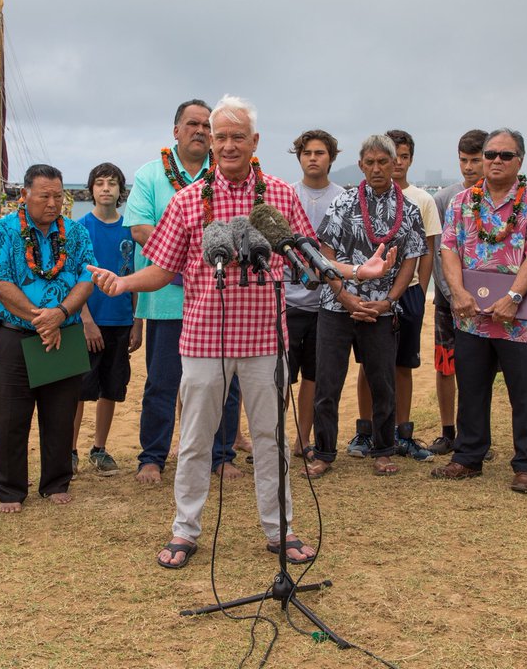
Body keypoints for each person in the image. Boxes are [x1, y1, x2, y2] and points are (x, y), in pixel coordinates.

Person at [91, 95, 349, 568]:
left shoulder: (280, 196)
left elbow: (307, 254)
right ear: (210, 140)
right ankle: (185, 530)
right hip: (204, 340)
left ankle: (281, 529)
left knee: (270, 437)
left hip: (266, 340)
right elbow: (163, 266)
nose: (228, 145)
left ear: (255, 142)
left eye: (238, 137)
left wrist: (355, 272)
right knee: (193, 440)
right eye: (220, 136)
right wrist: (124, 282)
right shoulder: (189, 199)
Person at [123, 99, 242, 484]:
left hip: (217, 299)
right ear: (175, 131)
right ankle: (152, 458)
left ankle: (221, 456)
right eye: (192, 124)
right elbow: (140, 229)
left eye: (208, 126)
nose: (201, 132)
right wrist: (188, 257)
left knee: (226, 381)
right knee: (163, 381)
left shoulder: (227, 174)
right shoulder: (149, 175)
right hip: (166, 299)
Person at [433, 129, 527, 493]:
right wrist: (457, 292)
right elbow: (449, 250)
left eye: (505, 155)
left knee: (526, 393)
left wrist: (515, 297)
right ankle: (468, 457)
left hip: (522, 319)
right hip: (472, 317)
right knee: (471, 388)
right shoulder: (461, 203)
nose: (495, 161)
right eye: (490, 155)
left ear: (520, 160)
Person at [0, 165, 96, 512]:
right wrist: (39, 317)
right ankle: (10, 490)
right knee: (11, 415)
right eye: (45, 196)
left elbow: (87, 277)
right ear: (24, 195)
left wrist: (59, 314)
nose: (53, 203)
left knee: (60, 411)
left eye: (59, 196)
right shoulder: (2, 230)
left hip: (64, 331)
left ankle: (56, 481)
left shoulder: (74, 232)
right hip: (14, 334)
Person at [307, 135, 421, 478]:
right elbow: (323, 252)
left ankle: (383, 450)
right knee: (328, 383)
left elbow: (410, 262)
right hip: (336, 306)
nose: (377, 168)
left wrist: (387, 301)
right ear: (360, 166)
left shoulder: (410, 210)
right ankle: (324, 453)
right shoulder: (342, 204)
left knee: (383, 382)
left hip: (380, 311)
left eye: (383, 162)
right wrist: (344, 295)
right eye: (369, 163)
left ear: (394, 164)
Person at [352, 130, 440, 461]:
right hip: (370, 292)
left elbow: (427, 251)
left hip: (410, 292)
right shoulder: (361, 199)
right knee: (368, 363)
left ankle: (403, 432)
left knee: (403, 363)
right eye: (389, 157)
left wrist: (422, 289)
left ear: (406, 160)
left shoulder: (422, 200)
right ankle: (366, 432)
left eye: (401, 157)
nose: (394, 164)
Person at [74, 162, 142, 476]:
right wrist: (85, 319)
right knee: (79, 390)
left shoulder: (130, 228)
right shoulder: (80, 227)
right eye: (100, 183)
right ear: (91, 190)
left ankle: (99, 448)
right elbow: (74, 278)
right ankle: (69, 449)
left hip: (120, 321)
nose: (106, 189)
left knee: (111, 389)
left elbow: (136, 276)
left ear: (120, 191)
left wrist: (137, 322)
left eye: (112, 184)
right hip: (87, 321)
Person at [429, 129, 487, 454]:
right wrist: (452, 294)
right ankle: (447, 431)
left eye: (475, 160)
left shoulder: (497, 200)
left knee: (478, 368)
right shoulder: (443, 199)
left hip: (484, 300)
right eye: (463, 160)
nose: (468, 167)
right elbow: (438, 252)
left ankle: (473, 432)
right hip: (447, 299)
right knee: (445, 363)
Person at [285, 129, 342, 456]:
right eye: (307, 153)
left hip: (326, 304)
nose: (313, 158)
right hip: (288, 300)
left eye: (320, 153)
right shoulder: (285, 193)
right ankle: (275, 438)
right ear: (299, 156)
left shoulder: (342, 197)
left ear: (331, 157)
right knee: (279, 377)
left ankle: (302, 439)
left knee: (315, 377)